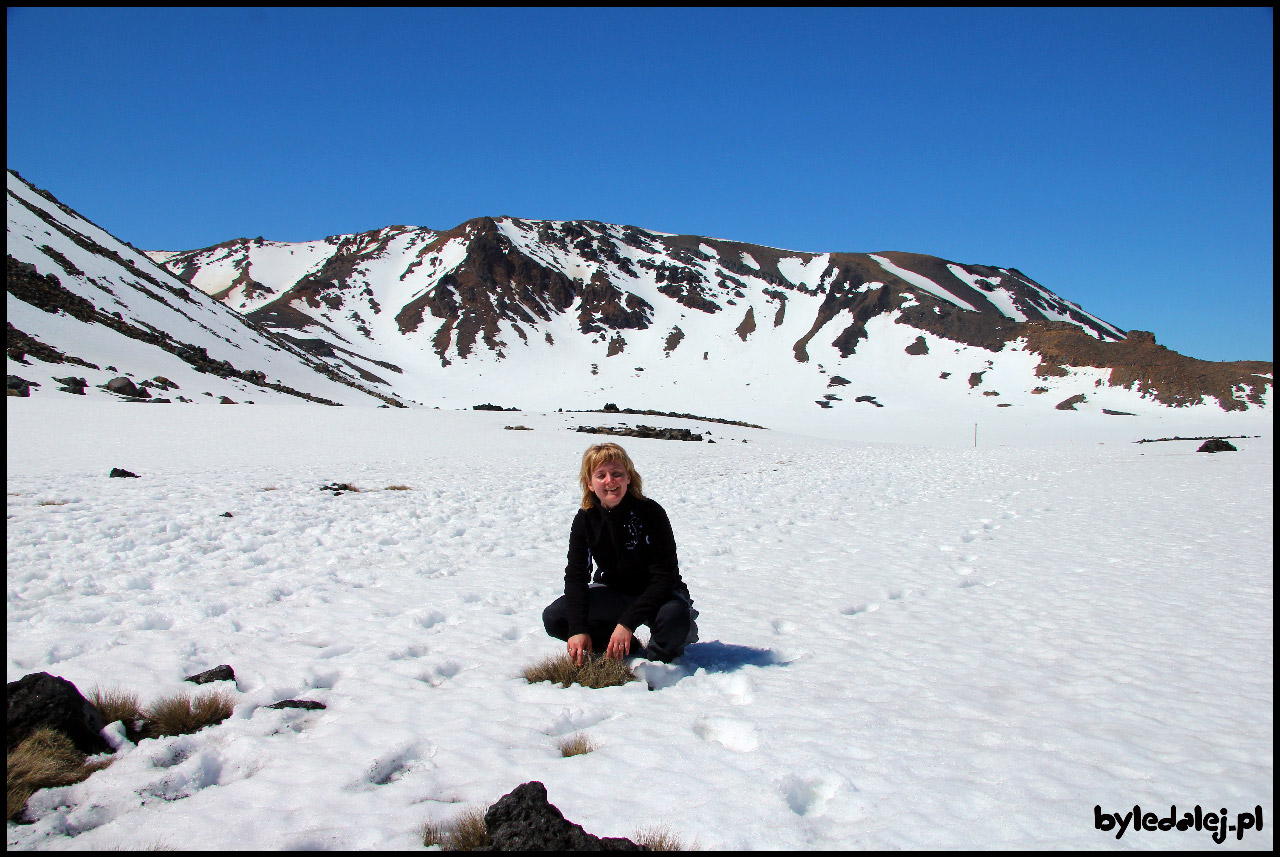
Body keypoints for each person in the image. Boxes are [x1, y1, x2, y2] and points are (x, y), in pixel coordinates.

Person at [542, 442, 697, 665]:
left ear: (629, 478)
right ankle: (626, 651)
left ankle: (657, 667)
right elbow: (577, 576)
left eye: (617, 474)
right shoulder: (585, 519)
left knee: (674, 618)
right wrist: (577, 628)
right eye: (601, 475)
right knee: (556, 617)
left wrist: (626, 623)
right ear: (590, 483)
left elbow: (665, 577)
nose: (610, 481)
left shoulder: (651, 513)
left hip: (659, 595)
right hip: (614, 592)